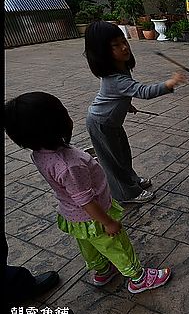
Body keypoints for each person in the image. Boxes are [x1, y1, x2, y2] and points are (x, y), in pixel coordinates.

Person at [4, 91, 172, 295]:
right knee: (116, 244)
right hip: (95, 217)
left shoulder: (39, 154)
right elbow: (85, 199)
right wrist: (108, 222)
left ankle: (102, 271)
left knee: (89, 246)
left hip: (73, 216)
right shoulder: (69, 164)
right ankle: (138, 277)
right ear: (57, 125)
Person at [84, 21, 186, 204]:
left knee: (123, 154)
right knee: (112, 162)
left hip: (111, 121)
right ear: (102, 52)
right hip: (102, 123)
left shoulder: (119, 69)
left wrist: (125, 105)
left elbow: (115, 95)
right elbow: (143, 92)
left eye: (124, 41)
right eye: (116, 45)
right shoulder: (114, 77)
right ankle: (126, 193)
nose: (124, 47)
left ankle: (131, 181)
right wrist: (170, 83)